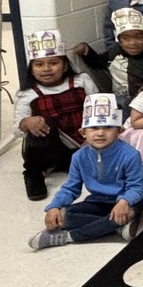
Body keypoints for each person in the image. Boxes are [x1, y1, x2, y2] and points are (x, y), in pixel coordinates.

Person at [28, 94, 143, 250]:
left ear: (119, 130)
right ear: (83, 132)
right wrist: (54, 206)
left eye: (107, 127)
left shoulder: (130, 154)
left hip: (128, 201)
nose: (100, 133)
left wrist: (124, 202)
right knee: (65, 216)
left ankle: (68, 237)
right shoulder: (79, 157)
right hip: (98, 201)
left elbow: (137, 187)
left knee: (127, 212)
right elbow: (71, 188)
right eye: (93, 128)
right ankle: (116, 226)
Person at [16, 30, 99, 200]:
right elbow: (17, 128)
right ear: (31, 69)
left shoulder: (81, 81)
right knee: (41, 122)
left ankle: (67, 164)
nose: (46, 69)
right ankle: (33, 175)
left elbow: (98, 110)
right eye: (39, 64)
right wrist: (27, 122)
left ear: (65, 65)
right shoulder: (27, 94)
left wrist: (91, 137)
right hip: (50, 146)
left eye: (53, 63)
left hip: (82, 143)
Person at [72, 7, 143, 118]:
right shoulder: (114, 53)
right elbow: (98, 63)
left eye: (139, 37)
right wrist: (86, 50)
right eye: (126, 38)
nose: (133, 43)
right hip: (122, 103)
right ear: (119, 40)